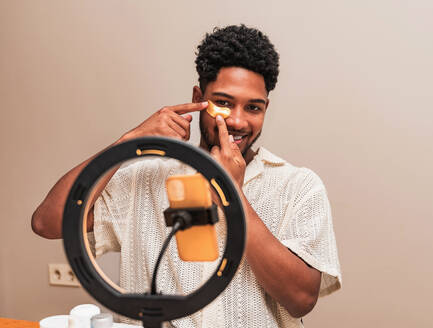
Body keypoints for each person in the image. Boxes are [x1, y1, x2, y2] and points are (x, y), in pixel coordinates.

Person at [32, 25, 341, 327]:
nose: (237, 120)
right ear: (198, 97)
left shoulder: (299, 186)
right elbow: (48, 222)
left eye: (253, 108)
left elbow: (301, 298)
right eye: (223, 103)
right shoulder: (145, 177)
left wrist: (230, 193)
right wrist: (129, 142)